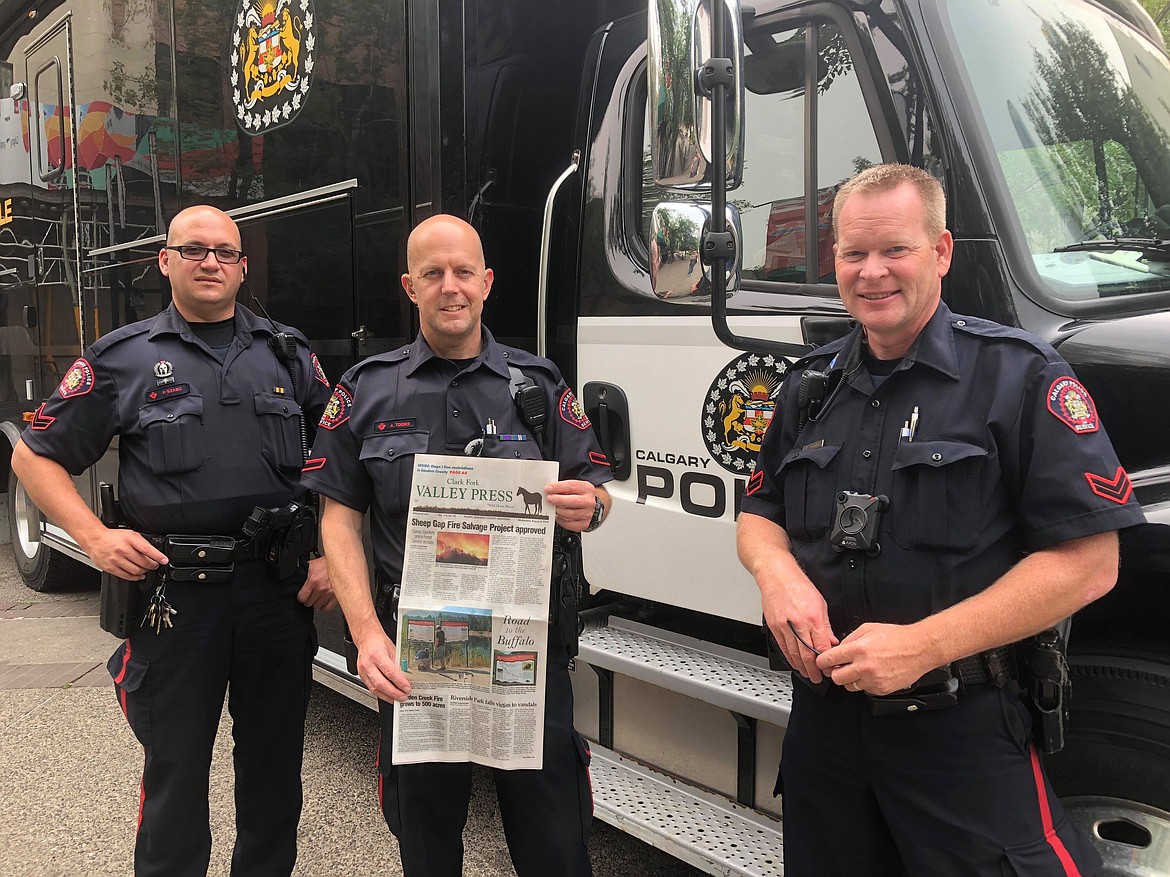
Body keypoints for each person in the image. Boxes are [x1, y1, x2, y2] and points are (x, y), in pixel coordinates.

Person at [736, 164, 1143, 876]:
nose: (872, 273)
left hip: (961, 727)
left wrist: (924, 644)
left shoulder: (1019, 376)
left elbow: (1089, 561)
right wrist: (777, 577)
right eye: (853, 254)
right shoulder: (808, 387)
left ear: (942, 251)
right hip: (826, 731)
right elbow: (759, 510)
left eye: (895, 249)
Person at [11, 205, 336, 877]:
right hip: (176, 599)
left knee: (274, 778)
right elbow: (33, 457)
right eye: (194, 250)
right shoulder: (124, 358)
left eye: (224, 252)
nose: (210, 262)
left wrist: (332, 554)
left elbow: (338, 463)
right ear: (165, 261)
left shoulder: (287, 352)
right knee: (176, 778)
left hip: (277, 596)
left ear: (244, 266)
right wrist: (95, 537)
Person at [302, 214, 611, 877]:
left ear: (487, 282)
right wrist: (365, 635)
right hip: (417, 652)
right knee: (428, 847)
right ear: (409, 286)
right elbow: (338, 521)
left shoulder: (536, 384)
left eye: (463, 271)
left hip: (524, 649)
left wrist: (593, 506)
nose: (451, 286)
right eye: (434, 273)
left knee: (556, 845)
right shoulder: (364, 388)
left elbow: (596, 486)